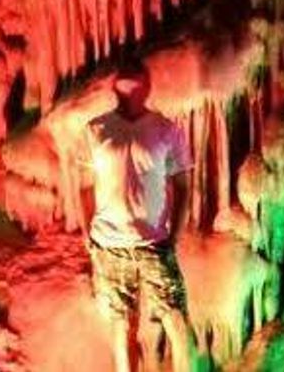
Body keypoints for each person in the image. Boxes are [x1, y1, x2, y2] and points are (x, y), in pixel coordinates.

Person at [78, 56, 195, 372]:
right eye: (125, 80)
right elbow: (85, 186)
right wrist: (86, 235)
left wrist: (175, 235)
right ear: (114, 87)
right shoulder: (95, 129)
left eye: (136, 80)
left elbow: (183, 184)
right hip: (109, 243)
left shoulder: (167, 130)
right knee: (121, 328)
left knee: (177, 323)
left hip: (153, 241)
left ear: (147, 87)